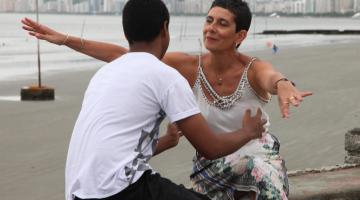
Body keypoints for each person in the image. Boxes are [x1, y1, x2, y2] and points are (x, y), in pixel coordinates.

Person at [22, 0, 312, 199]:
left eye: (222, 24)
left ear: (241, 35)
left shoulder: (253, 68)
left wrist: (285, 85)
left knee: (262, 171)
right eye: (209, 20)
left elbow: (271, 77)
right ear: (165, 29)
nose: (211, 28)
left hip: (254, 158)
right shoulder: (184, 67)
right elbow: (125, 55)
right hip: (212, 164)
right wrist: (67, 40)